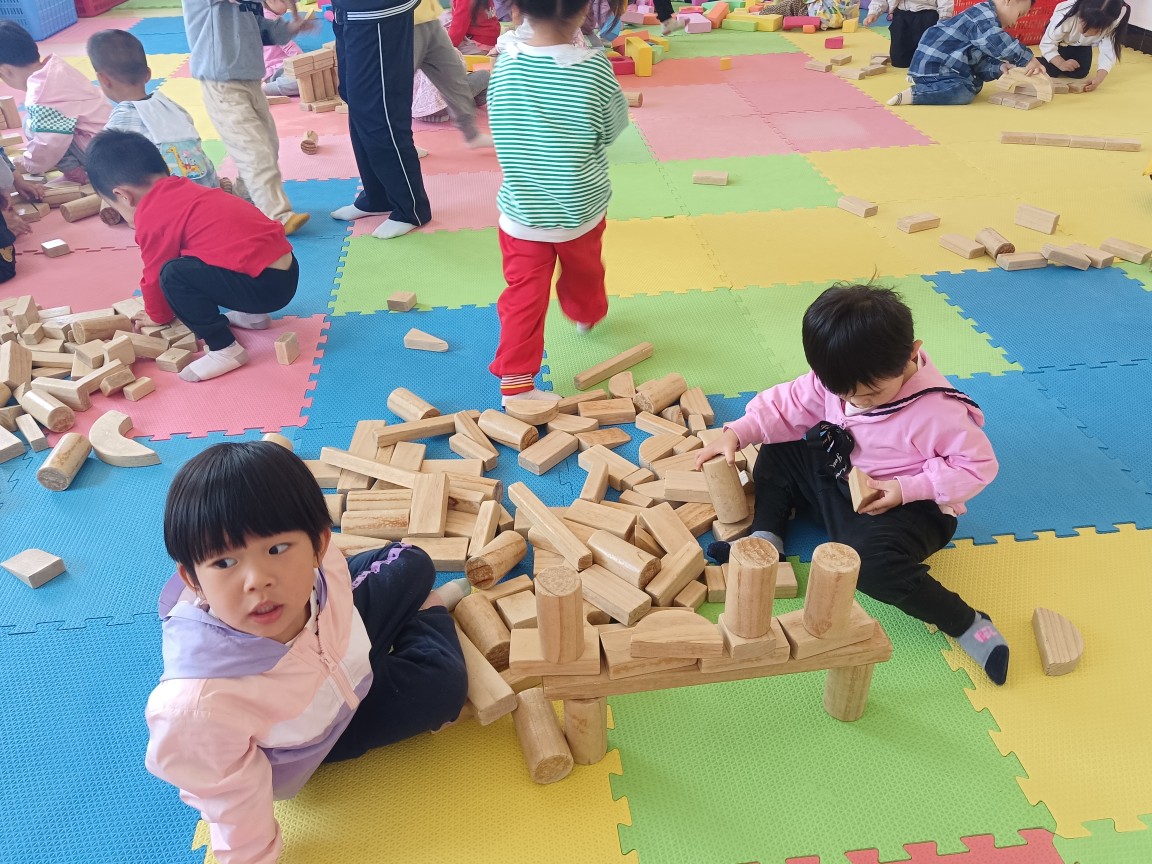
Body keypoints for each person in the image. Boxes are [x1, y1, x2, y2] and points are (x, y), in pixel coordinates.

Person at [146, 441, 469, 864]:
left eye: (277, 549)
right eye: (224, 563)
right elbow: (229, 803)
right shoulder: (200, 707)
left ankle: (400, 613)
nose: (257, 580)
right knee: (444, 687)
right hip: (323, 734)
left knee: (413, 561)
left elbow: (335, 577)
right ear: (192, 579)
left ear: (318, 544)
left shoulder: (324, 564)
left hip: (340, 639)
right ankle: (428, 611)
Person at [695, 285, 1010, 686]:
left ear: (911, 354)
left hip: (906, 508)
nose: (857, 403)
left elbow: (978, 466)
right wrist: (738, 432)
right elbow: (788, 404)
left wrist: (907, 489)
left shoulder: (938, 412)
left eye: (871, 394)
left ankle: (966, 623)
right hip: (841, 479)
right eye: (844, 395)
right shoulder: (839, 379)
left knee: (868, 566)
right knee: (778, 448)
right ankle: (767, 538)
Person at [487, 0, 628, 405]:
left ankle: (516, 382)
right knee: (585, 271)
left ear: (518, 9)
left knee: (522, 298)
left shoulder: (506, 62)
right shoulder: (593, 68)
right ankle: (586, 313)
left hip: (522, 213)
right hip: (579, 209)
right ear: (585, 11)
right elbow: (613, 127)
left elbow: (498, 120)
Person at [86, 130, 298, 383]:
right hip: (286, 271)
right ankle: (254, 317)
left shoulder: (153, 216)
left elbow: (154, 275)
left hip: (265, 289)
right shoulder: (186, 188)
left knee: (173, 274)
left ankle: (224, 348)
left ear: (123, 196)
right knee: (204, 255)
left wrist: (157, 315)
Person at [182, 0, 311, 233]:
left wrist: (289, 28)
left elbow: (259, 28)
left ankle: (244, 199)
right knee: (253, 151)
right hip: (222, 85)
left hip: (251, 80)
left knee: (268, 146)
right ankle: (278, 216)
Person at [328, 0, 432, 239]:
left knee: (380, 110)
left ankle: (411, 208)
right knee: (355, 101)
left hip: (376, 11)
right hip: (348, 11)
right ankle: (378, 196)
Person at [87, 30, 221, 190]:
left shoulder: (118, 125)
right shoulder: (172, 106)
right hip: (210, 190)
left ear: (103, 79)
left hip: (171, 200)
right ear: (148, 74)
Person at [0, 20, 110, 183]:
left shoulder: (41, 95)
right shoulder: (56, 67)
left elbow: (48, 144)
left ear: (5, 71)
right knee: (39, 122)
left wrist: (29, 163)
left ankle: (78, 174)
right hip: (110, 140)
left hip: (101, 157)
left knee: (31, 125)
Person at [886, 0, 1044, 105]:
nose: (1015, 23)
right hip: (936, 67)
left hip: (949, 67)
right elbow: (997, 41)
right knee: (964, 91)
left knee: (973, 86)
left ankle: (930, 86)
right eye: (1019, 14)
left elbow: (978, 60)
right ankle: (915, 94)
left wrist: (998, 68)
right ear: (1008, 1)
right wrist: (1028, 59)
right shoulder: (983, 17)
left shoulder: (986, 24)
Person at [412, 0, 493, 148]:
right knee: (478, 75)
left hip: (427, 16)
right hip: (408, 17)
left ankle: (471, 135)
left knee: (454, 72)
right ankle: (400, 140)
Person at [1039, 0, 1130, 90]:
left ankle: (1063, 59)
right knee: (1049, 69)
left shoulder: (1112, 24)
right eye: (1084, 24)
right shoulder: (1065, 15)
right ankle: (1034, 62)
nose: (1086, 33)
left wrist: (1098, 78)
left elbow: (1109, 52)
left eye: (1095, 30)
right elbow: (1048, 43)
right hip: (1060, 41)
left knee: (1080, 72)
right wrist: (1060, 63)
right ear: (1080, 13)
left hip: (1082, 44)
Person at [864, 0, 954, 68]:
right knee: (899, 61)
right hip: (901, 13)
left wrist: (944, 17)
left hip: (927, 13)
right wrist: (874, 12)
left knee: (927, 61)